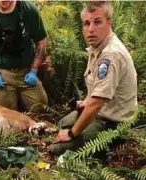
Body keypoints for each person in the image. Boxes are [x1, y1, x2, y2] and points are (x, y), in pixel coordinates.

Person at [49, 1, 137, 156]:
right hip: (101, 111)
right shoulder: (98, 47)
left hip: (113, 123)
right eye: (86, 23)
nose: (91, 29)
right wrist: (86, 102)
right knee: (62, 123)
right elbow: (95, 91)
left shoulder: (111, 54)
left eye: (97, 22)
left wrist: (71, 134)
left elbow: (97, 103)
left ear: (109, 23)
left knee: (56, 149)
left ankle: (108, 147)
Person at [0, 0, 48, 112]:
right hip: (2, 75)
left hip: (26, 71)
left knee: (41, 108)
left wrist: (34, 69)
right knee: (4, 116)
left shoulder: (28, 10)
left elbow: (41, 41)